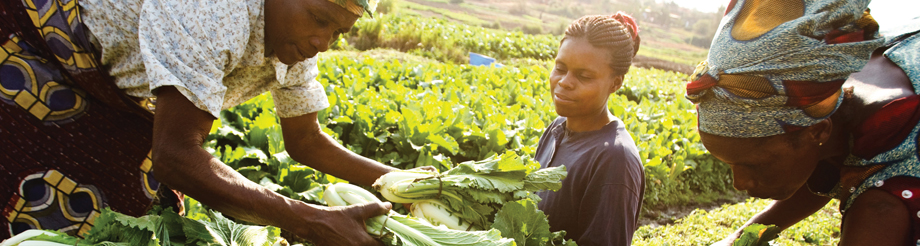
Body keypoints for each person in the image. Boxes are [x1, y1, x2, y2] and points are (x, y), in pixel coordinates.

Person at [0, 0, 398, 244]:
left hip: (118, 100)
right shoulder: (213, 9)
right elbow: (174, 157)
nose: (323, 42)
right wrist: (311, 221)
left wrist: (413, 184)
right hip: (38, 56)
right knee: (36, 210)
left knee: (114, 225)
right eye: (317, 18)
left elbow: (305, 140)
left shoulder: (295, 45)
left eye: (338, 32)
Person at [686, 0, 920, 244]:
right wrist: (739, 239)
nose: (739, 183)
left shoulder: (889, 185)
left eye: (754, 165)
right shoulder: (825, 97)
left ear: (818, 132)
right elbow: (822, 162)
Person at [534, 13, 646, 245]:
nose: (564, 81)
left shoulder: (615, 159)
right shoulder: (556, 130)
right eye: (560, 68)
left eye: (583, 76)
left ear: (615, 83)